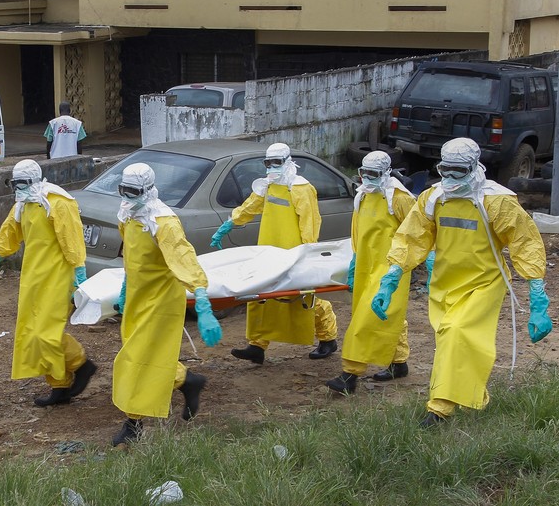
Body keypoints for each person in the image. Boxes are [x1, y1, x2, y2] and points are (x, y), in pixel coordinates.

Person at [371, 138, 550, 427]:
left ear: (475, 167)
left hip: (483, 283)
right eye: (446, 170)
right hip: (445, 282)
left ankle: (439, 408)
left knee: (457, 333)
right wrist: (391, 278)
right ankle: (472, 392)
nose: (452, 177)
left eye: (459, 170)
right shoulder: (433, 198)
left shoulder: (496, 201)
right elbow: (411, 238)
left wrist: (537, 298)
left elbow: (524, 243)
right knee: (450, 340)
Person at [111, 163, 222, 446]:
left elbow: (185, 259)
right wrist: (126, 288)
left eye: (134, 191)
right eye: (124, 190)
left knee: (136, 358)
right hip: (138, 295)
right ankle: (187, 380)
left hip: (161, 299)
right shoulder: (127, 215)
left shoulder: (164, 222)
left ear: (148, 190)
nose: (128, 196)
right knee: (144, 354)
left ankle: (133, 424)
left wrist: (203, 304)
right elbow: (131, 256)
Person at [0, 159, 97, 407]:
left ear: (33, 180)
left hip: (58, 278)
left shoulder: (57, 203)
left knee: (47, 334)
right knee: (32, 332)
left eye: (22, 183)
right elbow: (8, 235)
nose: (18, 188)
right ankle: (59, 386)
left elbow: (72, 240)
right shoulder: (23, 205)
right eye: (14, 183)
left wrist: (79, 275)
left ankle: (81, 364)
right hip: (33, 278)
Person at [211, 143, 339, 364]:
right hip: (268, 252)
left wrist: (308, 252)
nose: (272, 167)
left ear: (287, 162)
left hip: (293, 254)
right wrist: (229, 224)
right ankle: (257, 346)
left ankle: (328, 337)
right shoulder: (268, 186)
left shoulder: (301, 188)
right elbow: (251, 206)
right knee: (260, 297)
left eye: (276, 163)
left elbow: (310, 222)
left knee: (299, 298)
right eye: (268, 163)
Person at [325, 151, 417, 395]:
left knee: (365, 319)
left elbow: (418, 232)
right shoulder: (363, 196)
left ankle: (350, 374)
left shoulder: (398, 198)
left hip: (390, 268)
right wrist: (355, 261)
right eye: (364, 174)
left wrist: (422, 260)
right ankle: (399, 363)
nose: (367, 179)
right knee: (384, 315)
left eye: (373, 174)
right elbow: (358, 231)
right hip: (366, 264)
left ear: (386, 174)